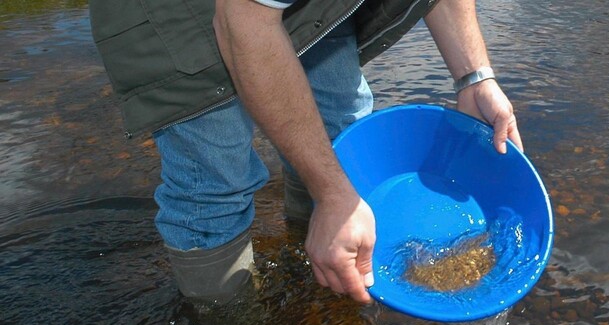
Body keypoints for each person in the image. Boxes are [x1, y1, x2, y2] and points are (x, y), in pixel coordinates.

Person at [89, 0, 523, 305]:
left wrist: (475, 78)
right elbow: (244, 22)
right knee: (216, 181)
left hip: (269, 8)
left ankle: (317, 264)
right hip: (173, 15)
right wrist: (334, 194)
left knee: (342, 126)